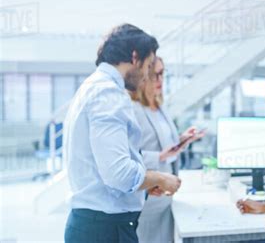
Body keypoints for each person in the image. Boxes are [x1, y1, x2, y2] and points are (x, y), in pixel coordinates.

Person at [63, 24, 181, 243]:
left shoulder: (94, 85)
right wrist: (159, 178)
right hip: (105, 229)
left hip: (97, 224)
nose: (147, 75)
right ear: (135, 57)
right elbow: (118, 174)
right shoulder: (108, 92)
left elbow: (103, 169)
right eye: (147, 66)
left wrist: (144, 186)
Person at [131, 56, 205, 242]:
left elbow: (165, 146)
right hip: (149, 196)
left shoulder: (159, 106)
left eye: (162, 73)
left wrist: (182, 139)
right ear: (142, 77)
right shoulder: (135, 109)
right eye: (154, 75)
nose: (160, 80)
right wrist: (159, 156)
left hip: (166, 194)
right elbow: (131, 155)